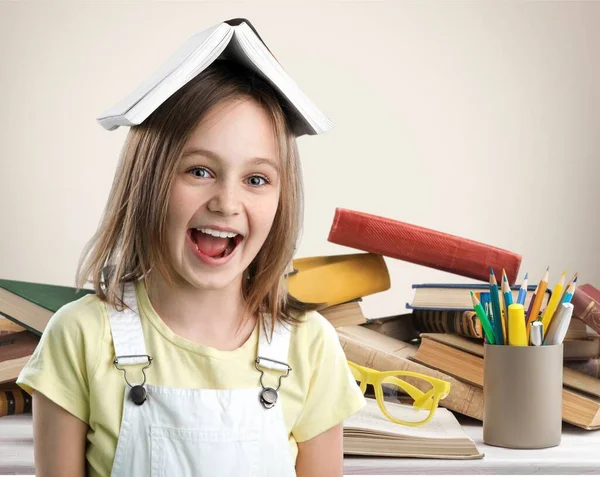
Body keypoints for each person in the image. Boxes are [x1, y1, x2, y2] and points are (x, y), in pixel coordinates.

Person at [16, 33, 366, 477]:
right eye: (199, 171)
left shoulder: (310, 347)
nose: (226, 201)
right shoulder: (80, 337)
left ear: (283, 198)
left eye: (256, 179)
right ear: (147, 182)